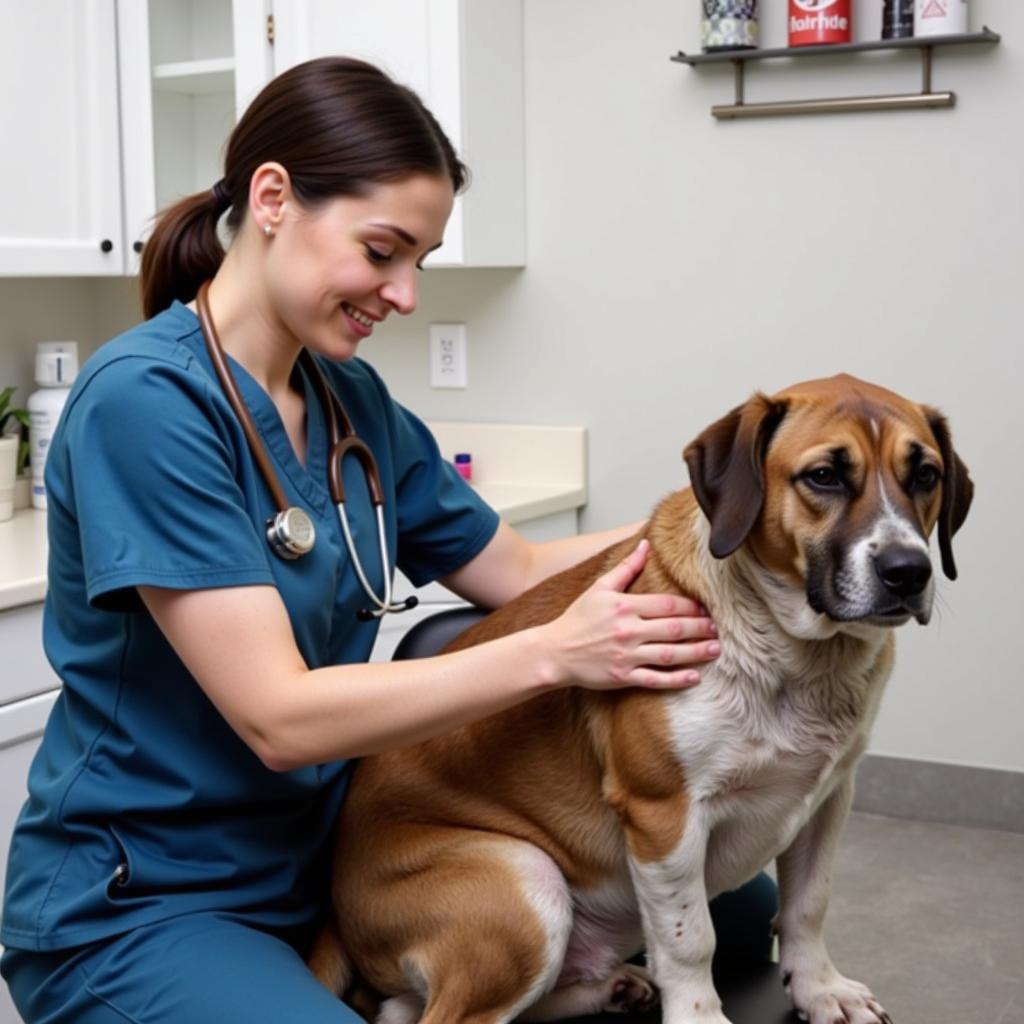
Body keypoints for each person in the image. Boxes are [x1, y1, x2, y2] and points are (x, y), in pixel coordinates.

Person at [0, 57, 771, 1024]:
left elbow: (517, 570)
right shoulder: (144, 404)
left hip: (325, 858)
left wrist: (749, 510)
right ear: (274, 198)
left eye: (420, 262)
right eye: (383, 251)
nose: (404, 294)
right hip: (147, 900)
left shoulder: (346, 398)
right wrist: (554, 653)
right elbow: (278, 718)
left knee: (744, 911)